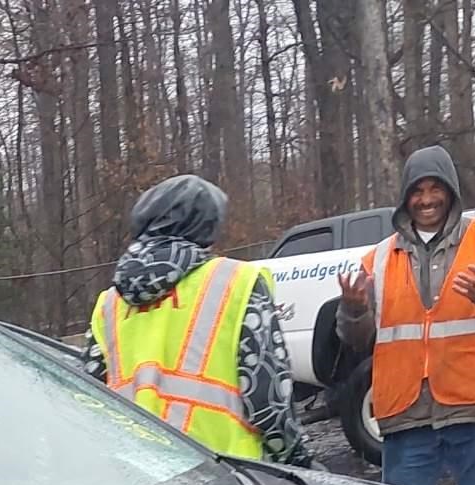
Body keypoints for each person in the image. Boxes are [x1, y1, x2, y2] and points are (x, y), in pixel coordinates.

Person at [336, 145, 475, 485]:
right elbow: (357, 340)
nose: (426, 199)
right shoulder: (377, 258)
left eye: (435, 189)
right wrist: (352, 311)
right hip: (405, 415)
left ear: (451, 192)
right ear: (405, 197)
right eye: (417, 191)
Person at [78, 175, 310, 467]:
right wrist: (296, 458)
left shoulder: (108, 304)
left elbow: (87, 399)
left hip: (136, 476)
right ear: (206, 227)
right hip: (229, 475)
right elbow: (267, 397)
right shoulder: (237, 282)